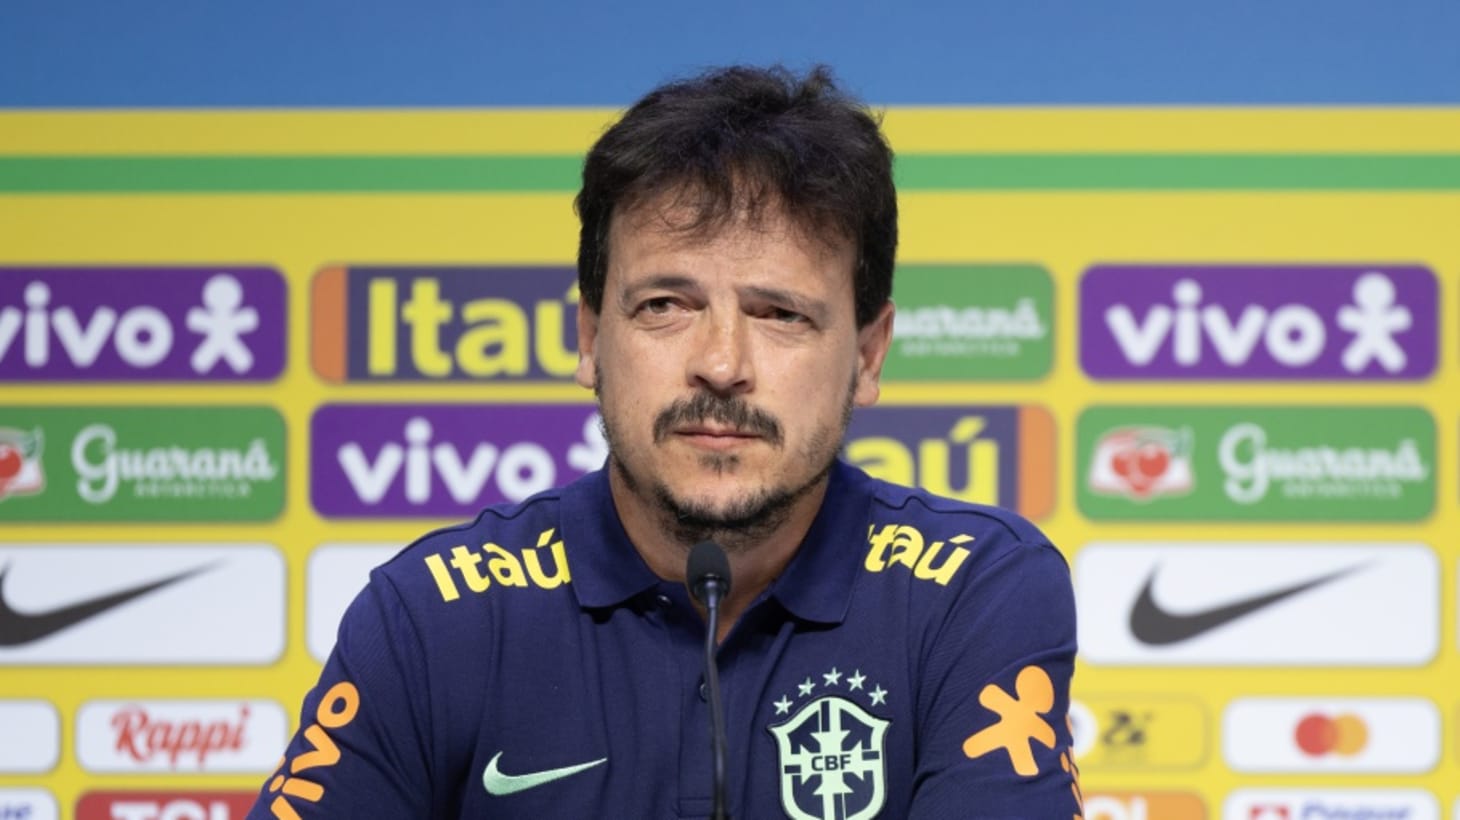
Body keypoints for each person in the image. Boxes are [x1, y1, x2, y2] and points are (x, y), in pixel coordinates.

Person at [249, 64, 1080, 819]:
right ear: (589, 339)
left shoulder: (972, 592)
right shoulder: (434, 613)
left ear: (867, 356)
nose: (721, 364)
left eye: (780, 314)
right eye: (665, 306)